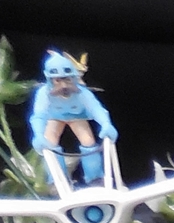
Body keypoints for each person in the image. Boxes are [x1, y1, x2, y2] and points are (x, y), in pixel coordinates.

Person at [29, 51, 117, 186]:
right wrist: (39, 134)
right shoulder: (44, 93)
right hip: (54, 117)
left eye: (67, 79)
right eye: (58, 80)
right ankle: (57, 180)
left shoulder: (82, 92)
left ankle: (95, 178)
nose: (63, 85)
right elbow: (39, 115)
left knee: (88, 141)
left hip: (77, 116)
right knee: (49, 142)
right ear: (50, 80)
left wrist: (106, 124)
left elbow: (96, 109)